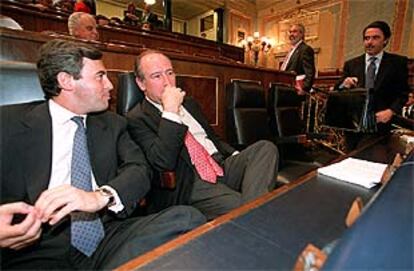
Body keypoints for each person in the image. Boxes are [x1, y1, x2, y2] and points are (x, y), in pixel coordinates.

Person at [0, 40, 206, 270]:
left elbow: (140, 169)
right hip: (36, 247)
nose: (110, 85)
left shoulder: (113, 124)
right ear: (66, 81)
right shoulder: (7, 123)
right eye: (100, 76)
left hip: (106, 236)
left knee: (186, 217)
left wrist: (100, 196)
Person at [127, 50, 279, 220]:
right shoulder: (137, 118)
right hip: (191, 181)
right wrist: (170, 112)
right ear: (141, 83)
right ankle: (255, 212)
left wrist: (237, 156)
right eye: (157, 76)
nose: (167, 82)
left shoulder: (190, 103)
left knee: (265, 148)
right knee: (242, 206)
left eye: (170, 73)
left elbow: (212, 139)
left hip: (219, 165)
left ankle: (252, 212)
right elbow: (163, 162)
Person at [335, 21, 409, 149]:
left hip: (381, 125)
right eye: (366, 38)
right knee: (351, 160)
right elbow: (338, 89)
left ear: (385, 40)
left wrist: (390, 111)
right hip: (354, 126)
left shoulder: (397, 63)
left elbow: (403, 94)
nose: (369, 42)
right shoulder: (351, 64)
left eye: (375, 38)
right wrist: (344, 84)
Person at [280, 23, 316, 95]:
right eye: (290, 32)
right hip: (286, 88)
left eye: (294, 31)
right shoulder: (292, 50)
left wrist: (304, 89)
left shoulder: (305, 49)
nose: (291, 34)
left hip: (296, 90)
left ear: (302, 34)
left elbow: (310, 73)